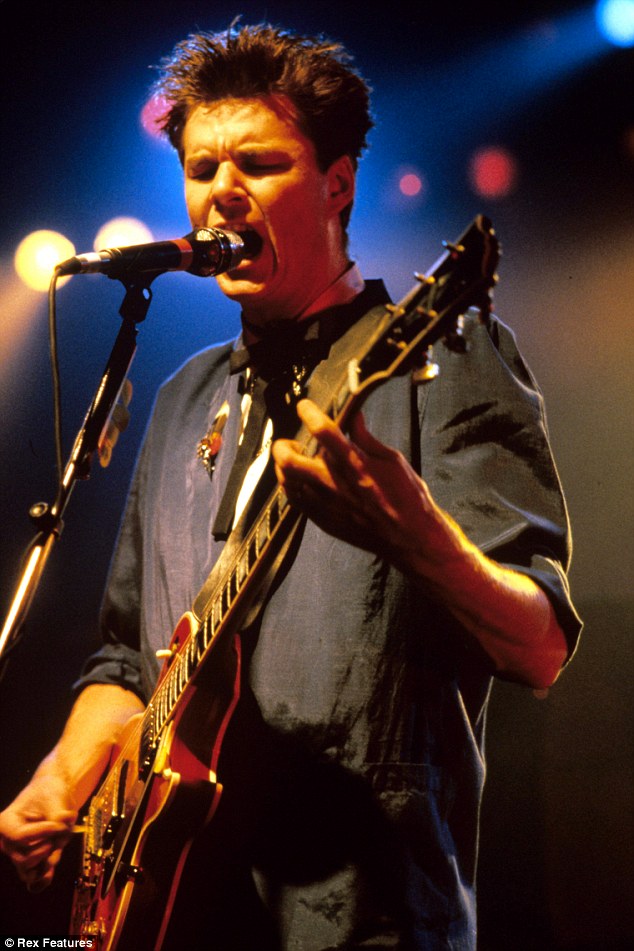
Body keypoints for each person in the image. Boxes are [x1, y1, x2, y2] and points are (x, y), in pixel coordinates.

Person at [0, 22, 581, 951]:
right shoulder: (186, 394)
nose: (221, 189)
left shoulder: (446, 357)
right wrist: (63, 779)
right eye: (201, 168)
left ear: (338, 184)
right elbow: (126, 661)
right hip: (174, 908)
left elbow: (542, 645)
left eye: (260, 163)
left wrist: (419, 539)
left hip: (363, 916)